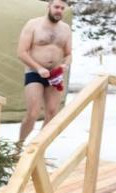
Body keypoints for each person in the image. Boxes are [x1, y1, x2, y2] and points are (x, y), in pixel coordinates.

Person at [17, 0, 72, 148]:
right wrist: (38, 68)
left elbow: (68, 54)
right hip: (34, 72)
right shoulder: (33, 24)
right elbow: (21, 52)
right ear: (49, 7)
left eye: (62, 8)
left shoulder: (65, 29)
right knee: (33, 113)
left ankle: (37, 148)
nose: (59, 10)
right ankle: (18, 146)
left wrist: (64, 65)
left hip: (55, 75)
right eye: (56, 7)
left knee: (52, 112)